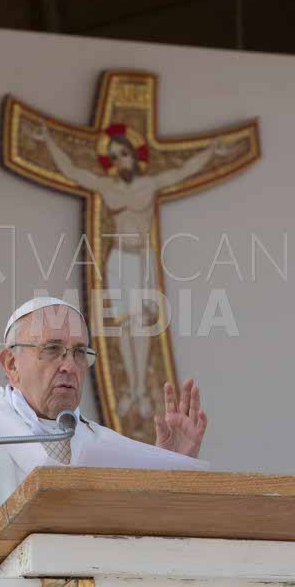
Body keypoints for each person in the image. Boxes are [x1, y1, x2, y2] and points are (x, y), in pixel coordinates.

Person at [0, 296, 208, 576]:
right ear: (11, 364)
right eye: (53, 349)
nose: (69, 365)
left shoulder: (109, 447)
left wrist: (170, 471)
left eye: (79, 353)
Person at [33, 123, 234, 418]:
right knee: (125, 326)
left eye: (124, 154)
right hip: (117, 260)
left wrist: (211, 151)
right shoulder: (108, 187)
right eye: (114, 157)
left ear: (135, 155)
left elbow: (184, 171)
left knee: (142, 324)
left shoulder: (150, 184)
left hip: (141, 259)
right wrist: (49, 140)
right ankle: (133, 391)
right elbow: (73, 171)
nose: (120, 161)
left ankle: (140, 389)